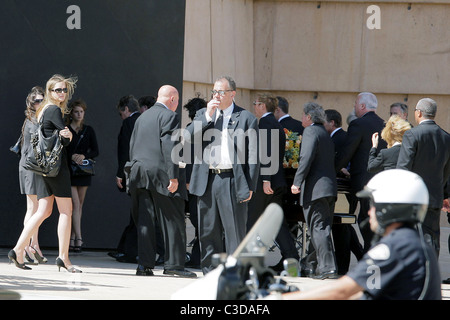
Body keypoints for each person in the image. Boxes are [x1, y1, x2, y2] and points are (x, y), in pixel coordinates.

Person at [284, 169, 442, 300]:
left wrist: (282, 298)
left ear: (390, 208)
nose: (369, 211)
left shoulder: (396, 247)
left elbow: (343, 290)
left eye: (374, 205)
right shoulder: (415, 243)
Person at [186, 76, 259, 275]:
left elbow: (253, 155)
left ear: (232, 94)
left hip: (232, 179)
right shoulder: (204, 113)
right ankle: (210, 272)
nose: (216, 96)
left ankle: (236, 274)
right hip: (207, 179)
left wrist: (250, 186)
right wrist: (207, 116)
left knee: (234, 230)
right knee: (208, 230)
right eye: (214, 92)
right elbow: (188, 136)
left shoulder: (246, 118)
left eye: (221, 92)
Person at [9, 74, 81, 273]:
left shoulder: (41, 111)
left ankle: (17, 248)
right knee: (66, 211)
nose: (62, 93)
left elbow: (51, 136)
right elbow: (64, 139)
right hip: (56, 168)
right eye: (57, 90)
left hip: (42, 168)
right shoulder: (54, 109)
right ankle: (64, 258)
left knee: (43, 211)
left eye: (64, 90)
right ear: (49, 91)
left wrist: (64, 134)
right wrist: (68, 134)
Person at [126, 85, 195, 278]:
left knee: (145, 221)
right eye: (178, 100)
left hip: (139, 172)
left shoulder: (142, 117)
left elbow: (132, 145)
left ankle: (144, 265)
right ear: (172, 99)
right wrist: (173, 176)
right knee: (173, 219)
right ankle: (174, 265)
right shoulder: (169, 116)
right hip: (160, 174)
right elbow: (169, 145)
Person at [249, 93, 299, 272]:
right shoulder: (275, 124)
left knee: (252, 221)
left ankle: (251, 262)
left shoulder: (266, 123)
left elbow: (266, 154)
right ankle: (292, 257)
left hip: (267, 183)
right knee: (277, 223)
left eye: (256, 103)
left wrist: (265, 180)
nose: (254, 106)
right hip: (275, 181)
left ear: (262, 106)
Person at [397, 98, 450, 256]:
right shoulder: (446, 137)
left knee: (413, 237)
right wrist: (443, 193)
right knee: (432, 237)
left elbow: (403, 168)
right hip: (435, 195)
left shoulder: (412, 134)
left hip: (414, 196)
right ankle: (431, 273)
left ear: (418, 113)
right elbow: (446, 170)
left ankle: (419, 275)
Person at [291, 102, 338, 279]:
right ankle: (317, 265)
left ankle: (328, 268)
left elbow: (306, 158)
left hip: (316, 190)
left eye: (303, 115)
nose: (301, 118)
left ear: (309, 117)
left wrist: (297, 182)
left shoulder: (310, 131)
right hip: (329, 189)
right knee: (323, 228)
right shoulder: (325, 133)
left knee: (318, 229)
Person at [335, 92, 386, 252]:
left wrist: (332, 170)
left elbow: (347, 153)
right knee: (374, 223)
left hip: (363, 183)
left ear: (362, 106)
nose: (354, 107)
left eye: (355, 104)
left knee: (363, 222)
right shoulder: (385, 124)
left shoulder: (358, 124)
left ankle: (370, 260)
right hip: (382, 182)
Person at [324, 109, 363, 275]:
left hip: (344, 189)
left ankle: (342, 267)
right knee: (344, 226)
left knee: (340, 228)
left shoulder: (340, 138)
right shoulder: (336, 137)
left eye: (324, 121)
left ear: (332, 123)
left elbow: (343, 161)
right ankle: (362, 257)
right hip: (343, 188)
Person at [108, 95, 140, 263]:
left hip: (133, 173)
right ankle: (126, 248)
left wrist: (121, 173)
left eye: (121, 113)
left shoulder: (129, 123)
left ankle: (129, 251)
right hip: (146, 173)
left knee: (136, 213)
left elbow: (125, 150)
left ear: (126, 110)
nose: (122, 117)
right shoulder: (144, 120)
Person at [17, 86, 47, 264]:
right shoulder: (33, 120)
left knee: (36, 208)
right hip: (30, 167)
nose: (40, 103)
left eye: (42, 100)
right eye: (37, 101)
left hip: (32, 166)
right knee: (33, 208)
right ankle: (30, 246)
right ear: (31, 103)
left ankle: (32, 245)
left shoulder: (35, 119)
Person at [66, 99, 99, 253]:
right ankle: (79, 238)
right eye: (76, 111)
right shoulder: (66, 130)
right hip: (70, 172)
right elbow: (62, 151)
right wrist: (72, 156)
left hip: (84, 172)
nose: (79, 114)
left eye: (81, 111)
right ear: (71, 113)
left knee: (79, 205)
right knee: (75, 204)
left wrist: (83, 155)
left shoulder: (88, 130)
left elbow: (96, 151)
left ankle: (72, 238)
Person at [183, 97, 207, 268]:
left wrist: (187, 180)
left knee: (198, 220)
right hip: (208, 181)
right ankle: (200, 257)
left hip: (194, 182)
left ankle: (198, 257)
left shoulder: (190, 130)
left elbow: (187, 158)